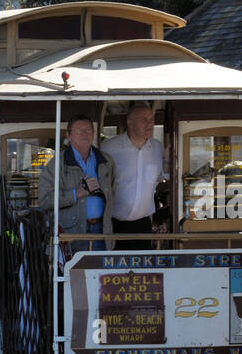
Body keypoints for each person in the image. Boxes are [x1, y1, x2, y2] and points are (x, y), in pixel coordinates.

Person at [38, 115, 115, 256]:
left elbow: (113, 194)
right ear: (68, 135)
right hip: (70, 233)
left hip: (101, 231)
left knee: (99, 275)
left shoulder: (106, 161)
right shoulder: (56, 165)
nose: (85, 134)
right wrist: (76, 194)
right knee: (73, 276)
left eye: (89, 130)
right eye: (79, 131)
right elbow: (45, 200)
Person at [101, 102, 163, 251]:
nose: (149, 124)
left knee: (142, 272)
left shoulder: (157, 148)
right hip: (114, 224)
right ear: (130, 123)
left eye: (151, 120)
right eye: (144, 120)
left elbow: (162, 177)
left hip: (143, 225)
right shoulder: (109, 148)